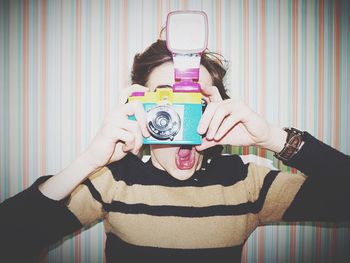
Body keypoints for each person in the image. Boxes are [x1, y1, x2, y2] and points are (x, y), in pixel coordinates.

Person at [0, 39, 349, 263]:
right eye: (167, 101)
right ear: (140, 107)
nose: (181, 118)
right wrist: (89, 161)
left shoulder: (246, 179)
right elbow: (10, 240)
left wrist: (273, 138)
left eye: (195, 102)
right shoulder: (113, 180)